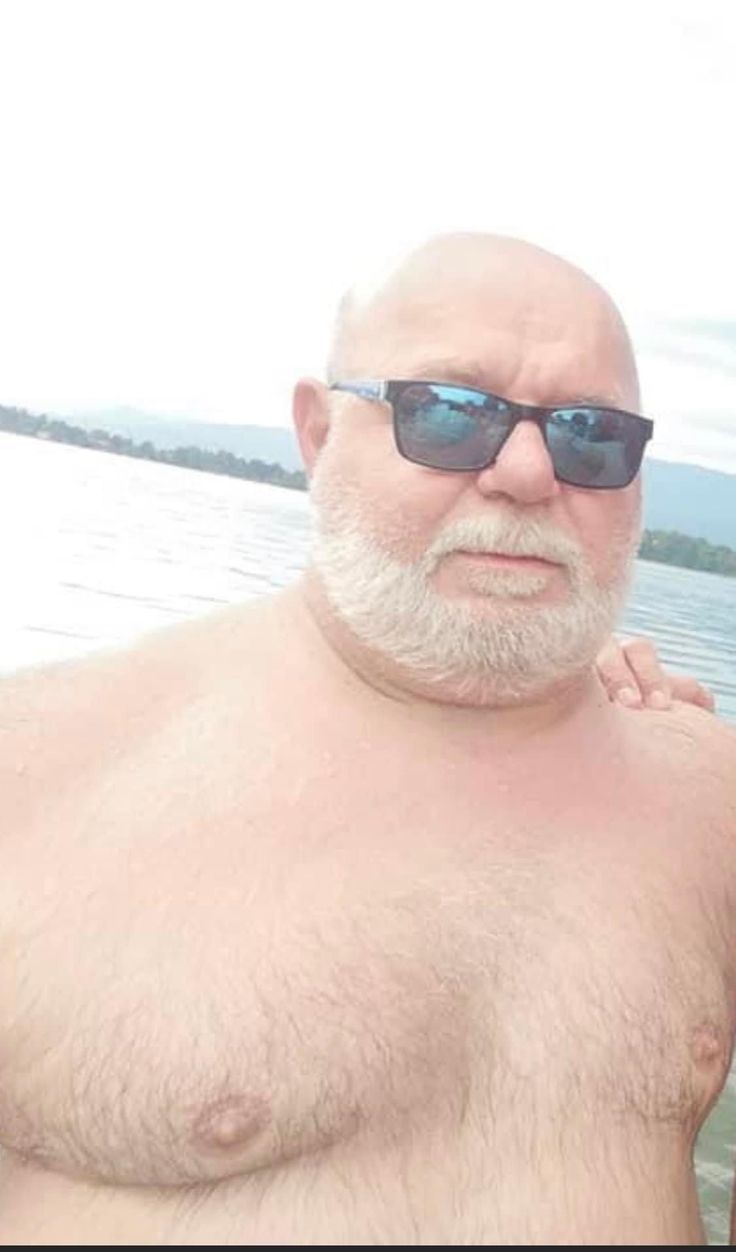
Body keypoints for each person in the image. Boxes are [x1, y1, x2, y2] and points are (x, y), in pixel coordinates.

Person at [0, 232, 731, 1247]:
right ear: (316, 430)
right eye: (448, 413)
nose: (526, 470)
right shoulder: (33, 777)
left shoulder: (707, 804)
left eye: (589, 435)